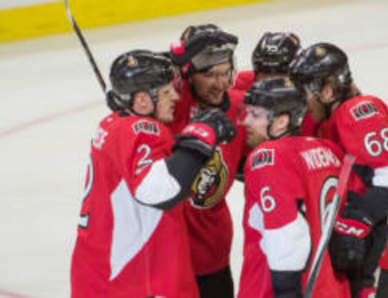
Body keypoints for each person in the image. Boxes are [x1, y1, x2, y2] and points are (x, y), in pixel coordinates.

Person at [70, 50, 236, 298]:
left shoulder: (112, 124)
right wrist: (201, 135)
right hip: (133, 281)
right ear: (142, 101)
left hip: (100, 274)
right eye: (167, 92)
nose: (176, 97)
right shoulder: (141, 130)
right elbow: (159, 190)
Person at [289, 42, 388, 298]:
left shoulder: (357, 113)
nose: (300, 100)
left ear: (328, 91)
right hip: (364, 228)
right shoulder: (319, 116)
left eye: (304, 91)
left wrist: (354, 220)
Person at [238, 77, 352, 298]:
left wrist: (286, 292)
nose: (246, 122)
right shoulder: (328, 150)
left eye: (255, 115)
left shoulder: (269, 156)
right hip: (332, 287)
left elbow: (286, 231)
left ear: (281, 121)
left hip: (278, 288)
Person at [169, 24, 248, 298]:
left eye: (225, 73)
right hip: (166, 249)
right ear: (188, 74)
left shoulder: (241, 107)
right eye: (210, 75)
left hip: (212, 246)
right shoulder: (171, 103)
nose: (220, 84)